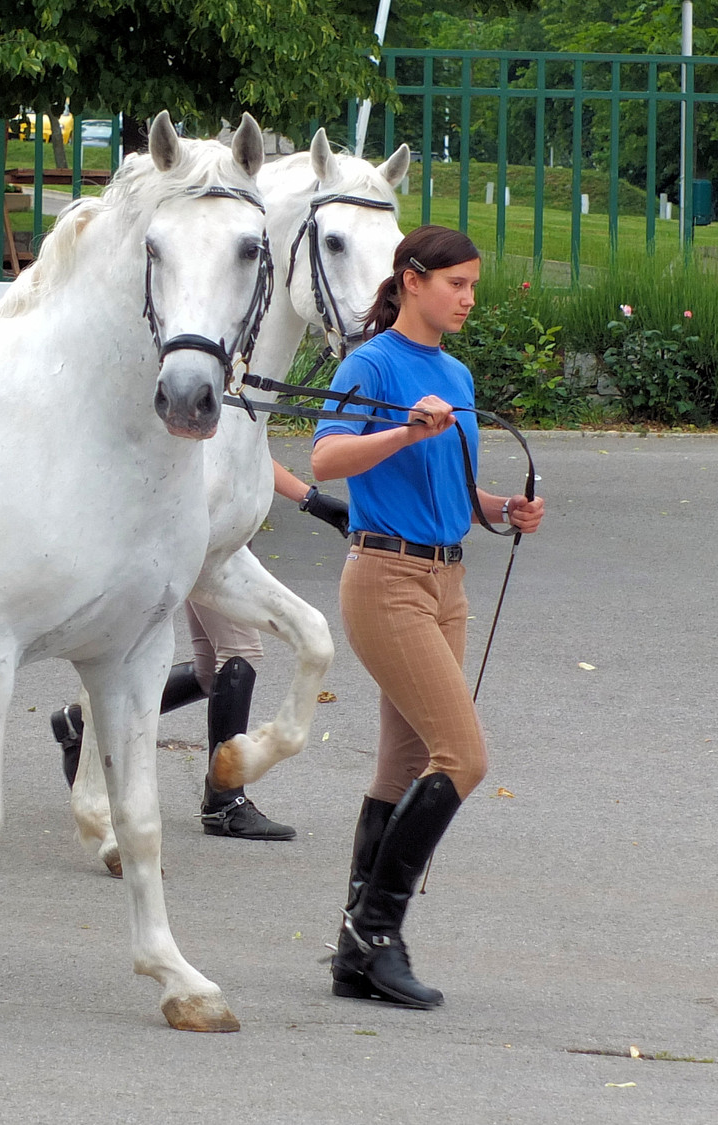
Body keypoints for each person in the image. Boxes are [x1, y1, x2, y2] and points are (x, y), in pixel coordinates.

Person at [310, 225, 545, 1009]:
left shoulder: (456, 373)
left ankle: (355, 955)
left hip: (447, 581)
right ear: (412, 279)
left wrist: (501, 508)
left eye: (475, 285)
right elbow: (326, 459)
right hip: (385, 578)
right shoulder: (371, 363)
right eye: (458, 284)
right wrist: (406, 425)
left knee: (402, 768)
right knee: (463, 757)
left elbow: (452, 484)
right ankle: (377, 932)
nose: (470, 298)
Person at [51, 457, 351, 842]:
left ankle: (79, 722)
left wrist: (310, 499)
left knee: (210, 670)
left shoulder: (234, 401)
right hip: (206, 545)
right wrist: (310, 499)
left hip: (224, 533)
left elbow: (246, 444)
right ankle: (225, 802)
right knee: (239, 654)